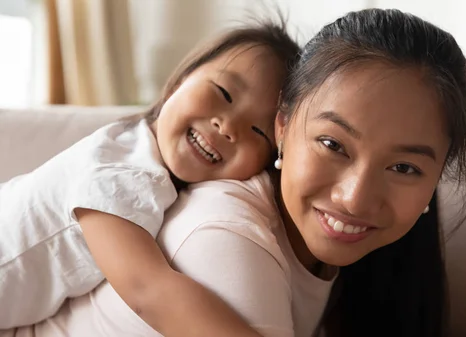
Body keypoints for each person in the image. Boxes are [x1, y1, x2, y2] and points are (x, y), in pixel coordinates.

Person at [1, 8, 466, 337]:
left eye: (403, 167)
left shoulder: (177, 186)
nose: (355, 197)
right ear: (285, 127)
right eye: (333, 144)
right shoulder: (121, 177)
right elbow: (149, 288)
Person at [0, 20, 300, 336]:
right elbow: (150, 292)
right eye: (223, 93)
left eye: (258, 131)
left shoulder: (138, 153)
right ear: (179, 82)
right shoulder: (121, 175)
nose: (227, 127)